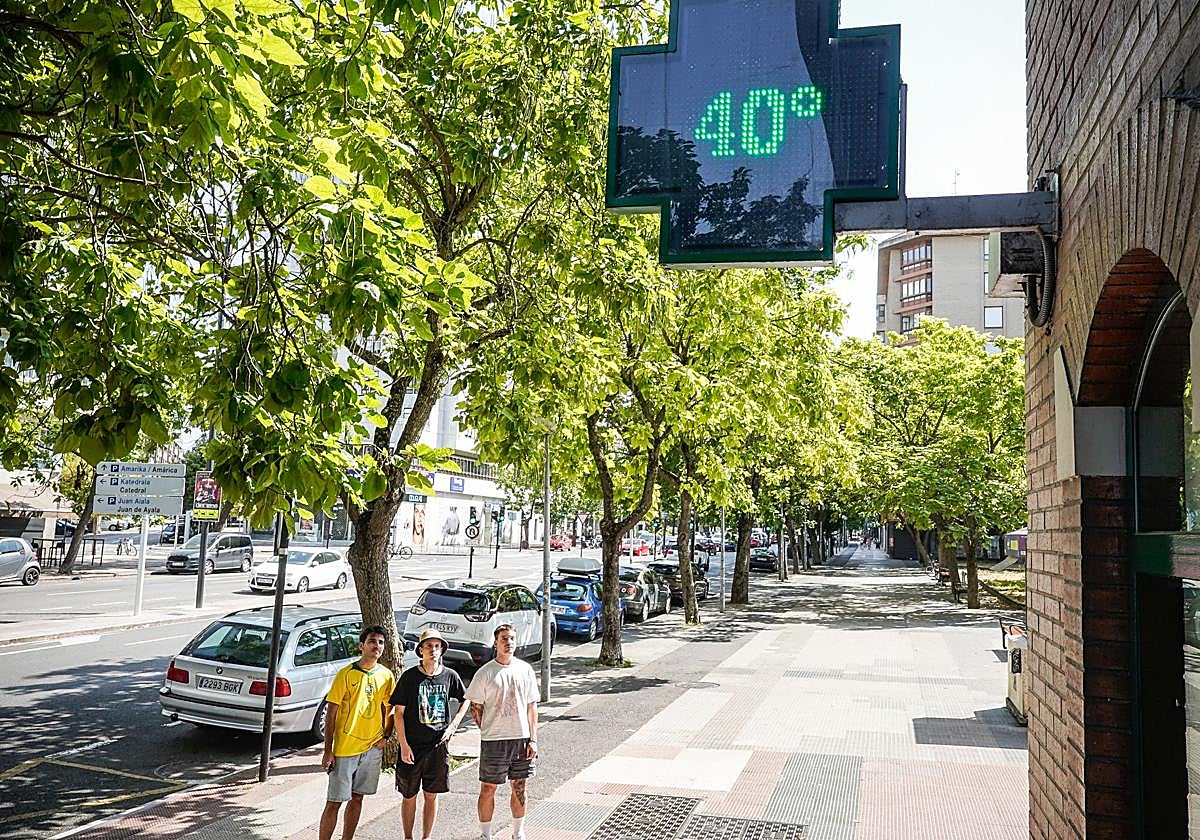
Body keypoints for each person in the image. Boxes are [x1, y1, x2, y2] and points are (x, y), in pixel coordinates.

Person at [390, 628, 471, 840]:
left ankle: (426, 837)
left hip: (437, 746)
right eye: (428, 646)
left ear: (442, 649)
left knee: (431, 795)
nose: (433, 650)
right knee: (409, 795)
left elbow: (466, 699)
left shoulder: (449, 676)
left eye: (437, 646)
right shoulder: (410, 677)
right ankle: (408, 836)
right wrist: (404, 745)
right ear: (421, 650)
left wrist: (453, 725)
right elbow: (398, 713)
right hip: (413, 747)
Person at [319, 625, 396, 840]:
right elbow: (331, 714)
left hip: (371, 749)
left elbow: (391, 708)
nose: (377, 646)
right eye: (372, 641)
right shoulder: (346, 674)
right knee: (334, 801)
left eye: (381, 642)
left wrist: (386, 736)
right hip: (345, 749)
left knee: (358, 798)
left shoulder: (386, 675)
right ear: (362, 646)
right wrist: (328, 751)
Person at [465, 624, 540, 840]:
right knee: (488, 788)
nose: (508, 642)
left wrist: (533, 740)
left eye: (512, 638)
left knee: (519, 786)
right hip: (494, 741)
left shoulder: (525, 669)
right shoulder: (485, 673)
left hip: (521, 738)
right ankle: (486, 834)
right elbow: (475, 708)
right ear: (495, 643)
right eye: (504, 639)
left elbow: (531, 706)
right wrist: (489, 729)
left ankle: (518, 833)